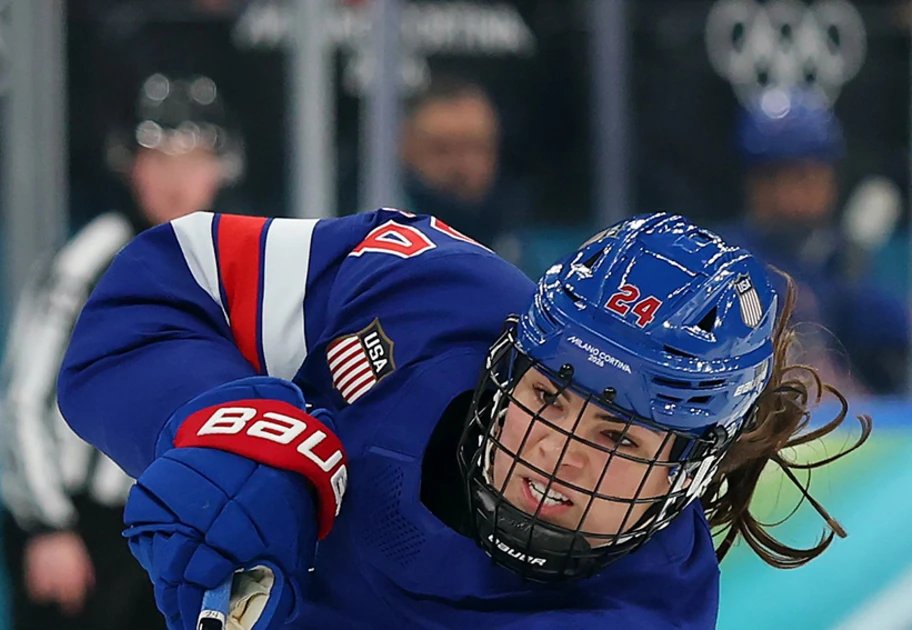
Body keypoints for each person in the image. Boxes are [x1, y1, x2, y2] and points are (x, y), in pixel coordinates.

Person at [56, 208, 869, 628]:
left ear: (685, 472)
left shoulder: (645, 611)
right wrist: (235, 430)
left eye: (618, 435)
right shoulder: (424, 290)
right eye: (548, 395)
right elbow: (158, 294)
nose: (556, 450)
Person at [0, 73, 241, 629]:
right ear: (131, 166)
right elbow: (21, 401)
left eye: (194, 157)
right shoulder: (90, 262)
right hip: (81, 531)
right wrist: (47, 525)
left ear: (222, 167)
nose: (178, 179)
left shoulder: (237, 266)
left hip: (174, 532)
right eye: (159, 158)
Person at [726, 86, 909, 394]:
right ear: (753, 183)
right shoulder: (728, 261)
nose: (792, 193)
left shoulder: (840, 255)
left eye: (809, 174)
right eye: (775, 175)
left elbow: (889, 325)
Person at [398, 76, 532, 262]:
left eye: (478, 148)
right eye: (442, 150)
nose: (463, 167)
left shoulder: (531, 247)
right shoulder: (378, 241)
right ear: (407, 150)